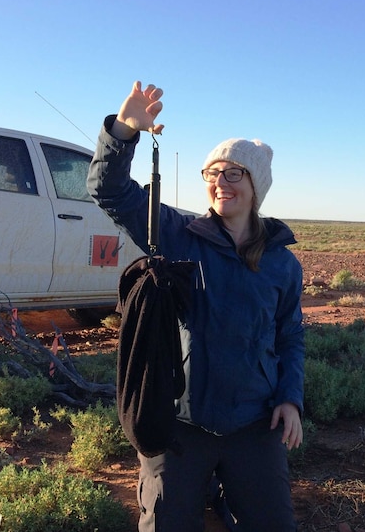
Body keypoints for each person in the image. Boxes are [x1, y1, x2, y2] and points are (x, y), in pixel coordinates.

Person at [87, 81, 305, 532]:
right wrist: (124, 132)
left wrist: (290, 398)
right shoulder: (179, 233)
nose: (220, 183)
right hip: (181, 422)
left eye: (233, 174)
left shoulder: (282, 263)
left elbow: (290, 336)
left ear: (255, 185)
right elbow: (109, 191)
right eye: (212, 173)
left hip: (254, 423)